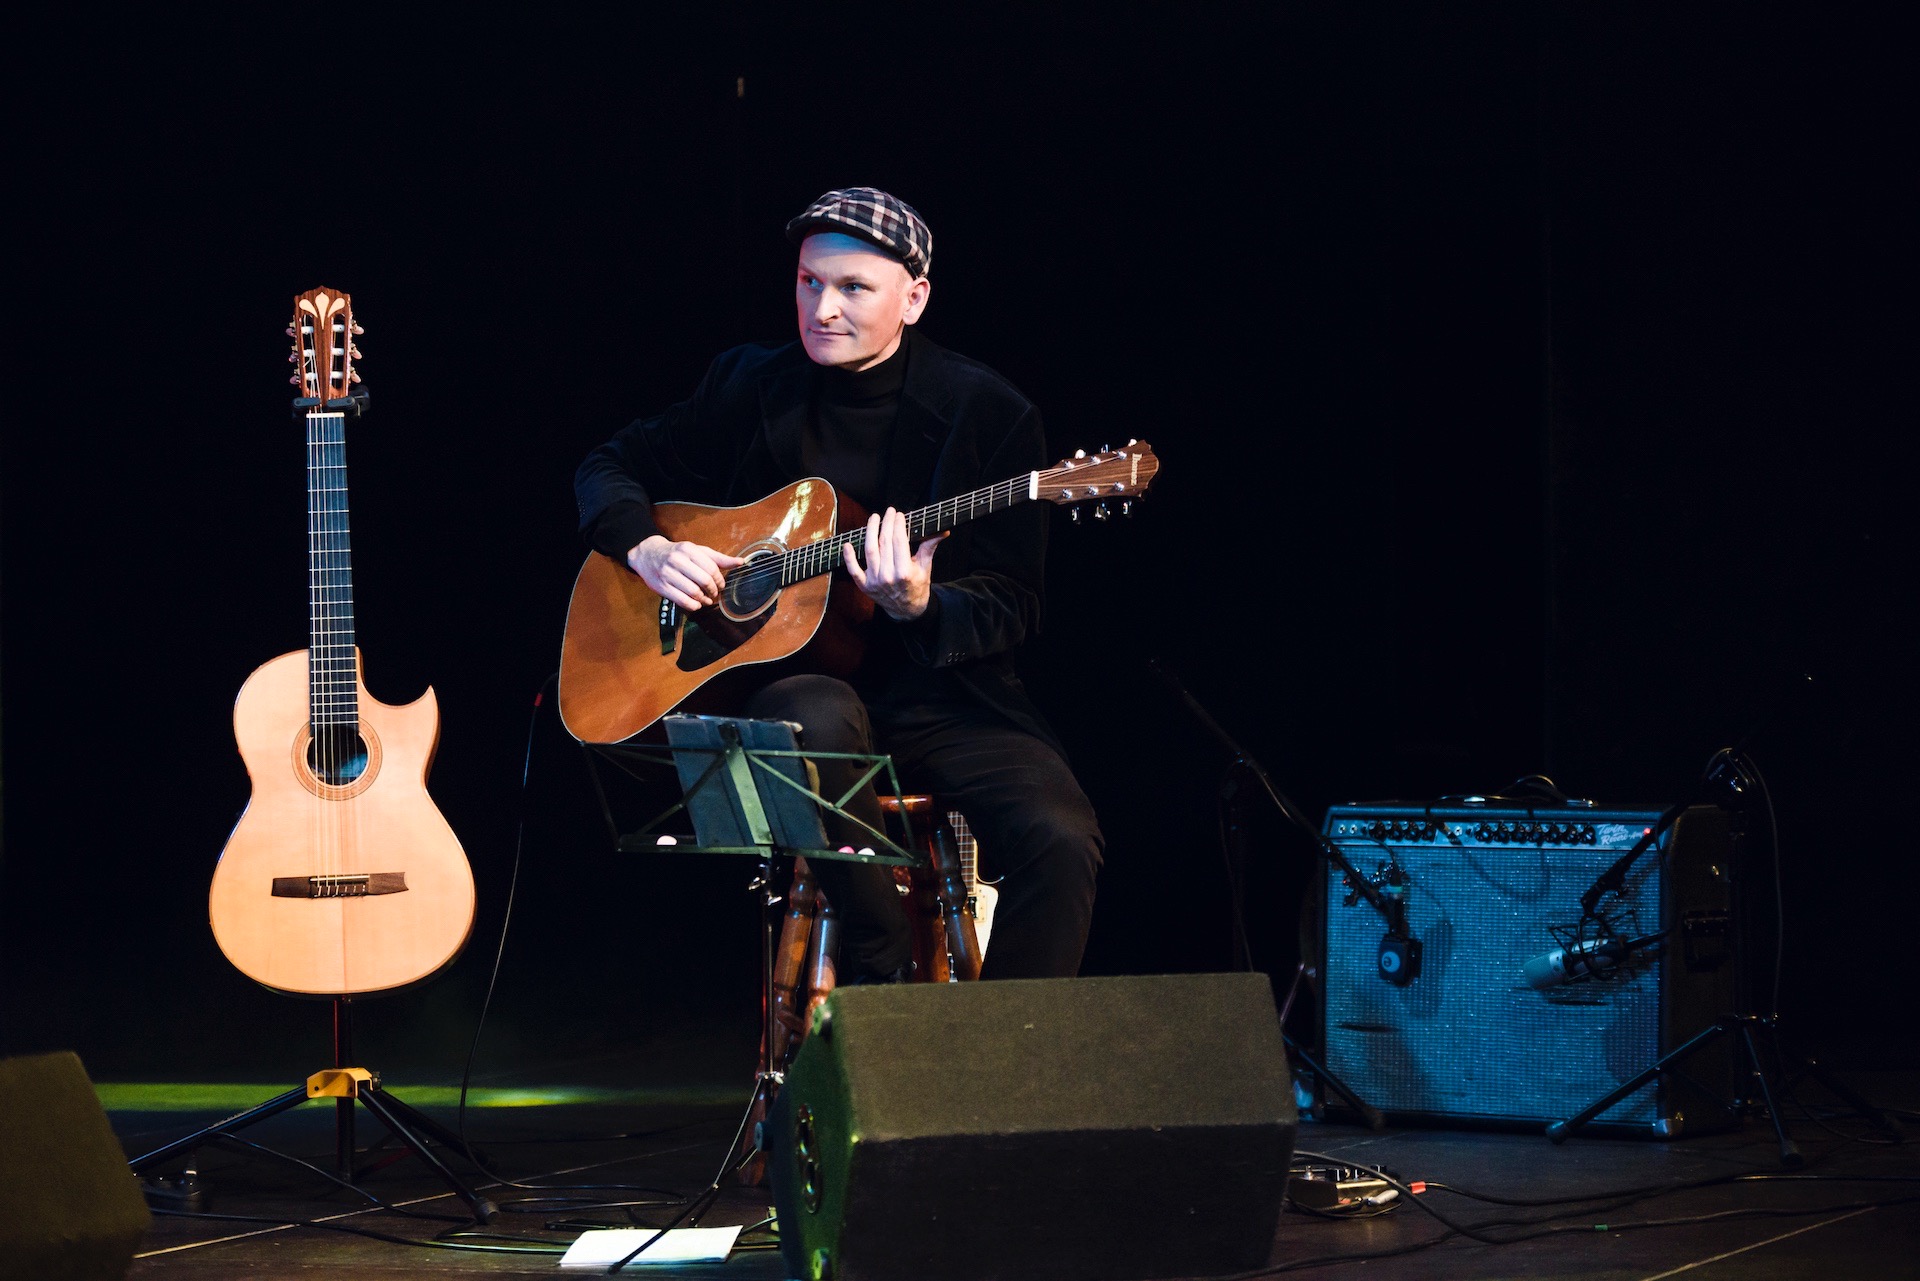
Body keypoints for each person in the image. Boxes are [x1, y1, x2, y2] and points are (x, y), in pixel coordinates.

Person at [573, 186, 1103, 982]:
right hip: (803, 687)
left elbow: (1013, 601)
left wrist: (922, 604)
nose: (822, 308)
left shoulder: (987, 413)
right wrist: (646, 549)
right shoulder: (750, 383)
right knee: (808, 720)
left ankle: (1006, 1065)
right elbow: (606, 465)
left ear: (913, 298)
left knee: (1062, 840)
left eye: (853, 287)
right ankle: (877, 958)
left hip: (944, 696)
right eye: (809, 282)